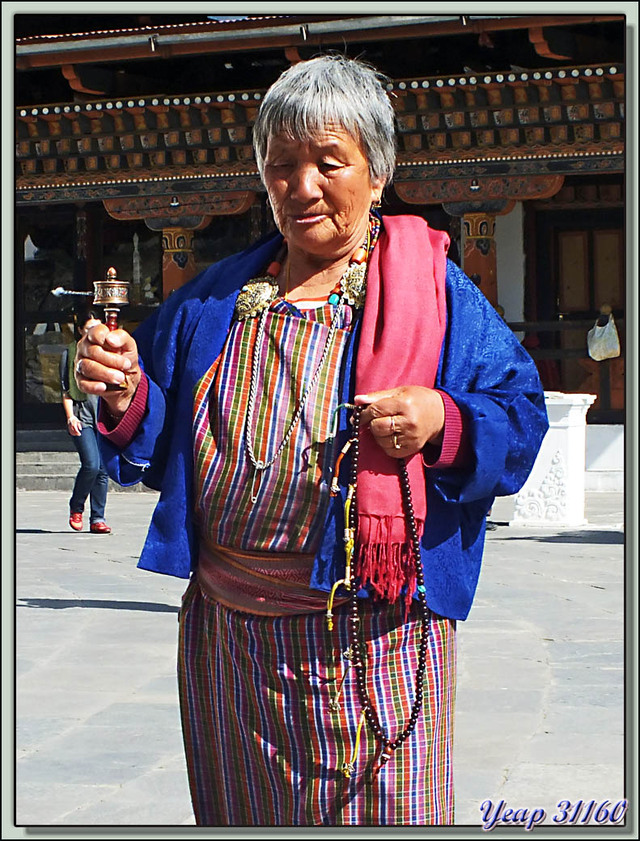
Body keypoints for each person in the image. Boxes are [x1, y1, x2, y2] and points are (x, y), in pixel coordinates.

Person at [74, 55, 548, 826]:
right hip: (232, 645)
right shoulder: (215, 299)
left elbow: (520, 415)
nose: (303, 187)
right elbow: (162, 439)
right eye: (282, 165)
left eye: (329, 162)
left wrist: (440, 418)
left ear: (378, 170)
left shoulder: (436, 294)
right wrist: (126, 391)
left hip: (375, 642)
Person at [60, 311, 111, 534]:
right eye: (89, 328)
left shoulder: (108, 354)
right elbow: (66, 391)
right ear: (80, 330)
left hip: (104, 416)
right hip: (82, 416)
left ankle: (98, 518)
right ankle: (76, 506)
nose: (94, 333)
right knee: (91, 464)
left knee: (103, 469)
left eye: (98, 327)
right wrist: (70, 416)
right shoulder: (70, 354)